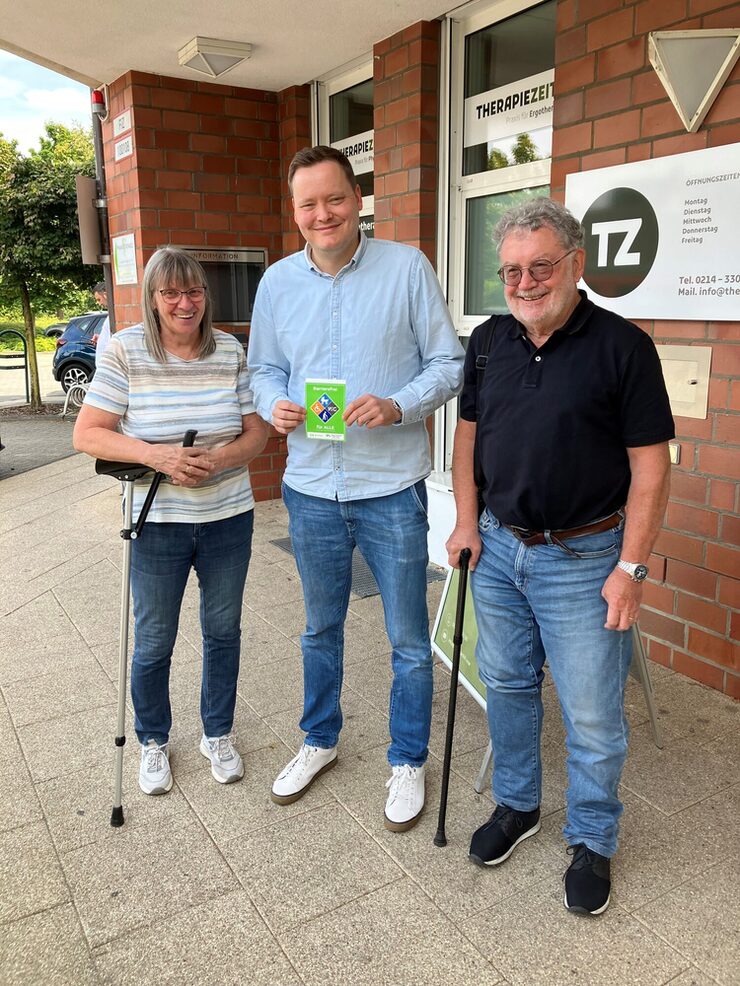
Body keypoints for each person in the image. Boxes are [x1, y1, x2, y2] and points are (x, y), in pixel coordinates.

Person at [446, 198, 673, 915]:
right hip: (501, 551)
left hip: (584, 560)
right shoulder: (486, 343)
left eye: (541, 266)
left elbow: (651, 467)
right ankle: (518, 805)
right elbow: (467, 441)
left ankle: (593, 837)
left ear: (576, 265)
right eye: (512, 269)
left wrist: (631, 568)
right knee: (509, 689)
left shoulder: (623, 347)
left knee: (592, 713)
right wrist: (465, 523)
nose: (525, 281)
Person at [248, 145, 464, 832]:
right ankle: (319, 741)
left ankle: (408, 759)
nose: (322, 214)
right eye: (307, 204)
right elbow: (263, 370)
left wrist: (400, 403)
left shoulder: (407, 268)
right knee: (319, 630)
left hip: (391, 485)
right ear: (295, 211)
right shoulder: (277, 284)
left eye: (333, 199)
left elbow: (448, 362)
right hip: (311, 486)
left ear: (358, 197)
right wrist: (274, 403)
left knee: (406, 637)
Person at [74, 247, 268, 795]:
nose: (185, 303)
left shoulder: (229, 349)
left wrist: (220, 460)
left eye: (194, 292)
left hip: (228, 516)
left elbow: (255, 434)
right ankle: (153, 740)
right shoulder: (126, 351)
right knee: (155, 637)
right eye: (171, 293)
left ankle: (218, 732)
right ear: (154, 300)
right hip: (156, 520)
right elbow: (87, 433)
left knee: (223, 630)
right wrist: (158, 456)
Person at [90, 281, 111, 367]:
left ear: (105, 294)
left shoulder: (115, 315)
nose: (99, 303)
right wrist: (101, 338)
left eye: (99, 299)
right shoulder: (111, 315)